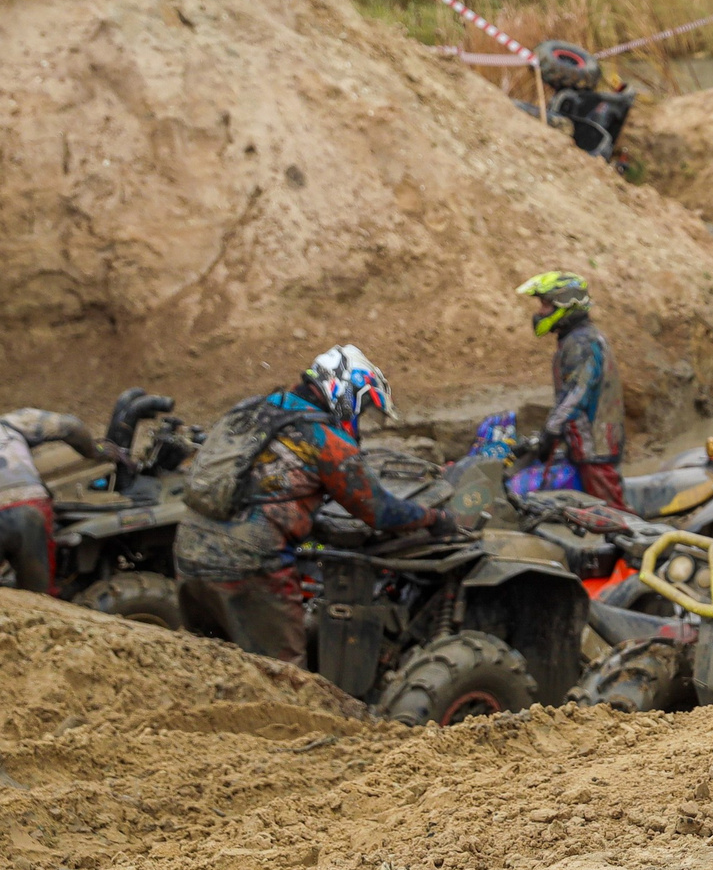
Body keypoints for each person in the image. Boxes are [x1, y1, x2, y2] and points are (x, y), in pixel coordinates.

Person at [173, 346, 458, 660]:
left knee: (209, 663)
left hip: (188, 553)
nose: (360, 418)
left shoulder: (254, 409)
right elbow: (379, 511)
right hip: (248, 568)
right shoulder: (326, 440)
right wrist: (434, 518)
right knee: (284, 676)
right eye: (363, 408)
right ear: (347, 392)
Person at [517, 272, 626, 506]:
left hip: (595, 443)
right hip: (586, 441)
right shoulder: (575, 339)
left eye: (546, 305)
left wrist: (551, 431)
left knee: (610, 510)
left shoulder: (583, 343)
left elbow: (577, 393)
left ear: (565, 306)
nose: (540, 312)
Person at [0, 408, 125, 595]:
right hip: (29, 505)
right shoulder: (12, 422)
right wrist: (97, 451)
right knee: (38, 596)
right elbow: (71, 426)